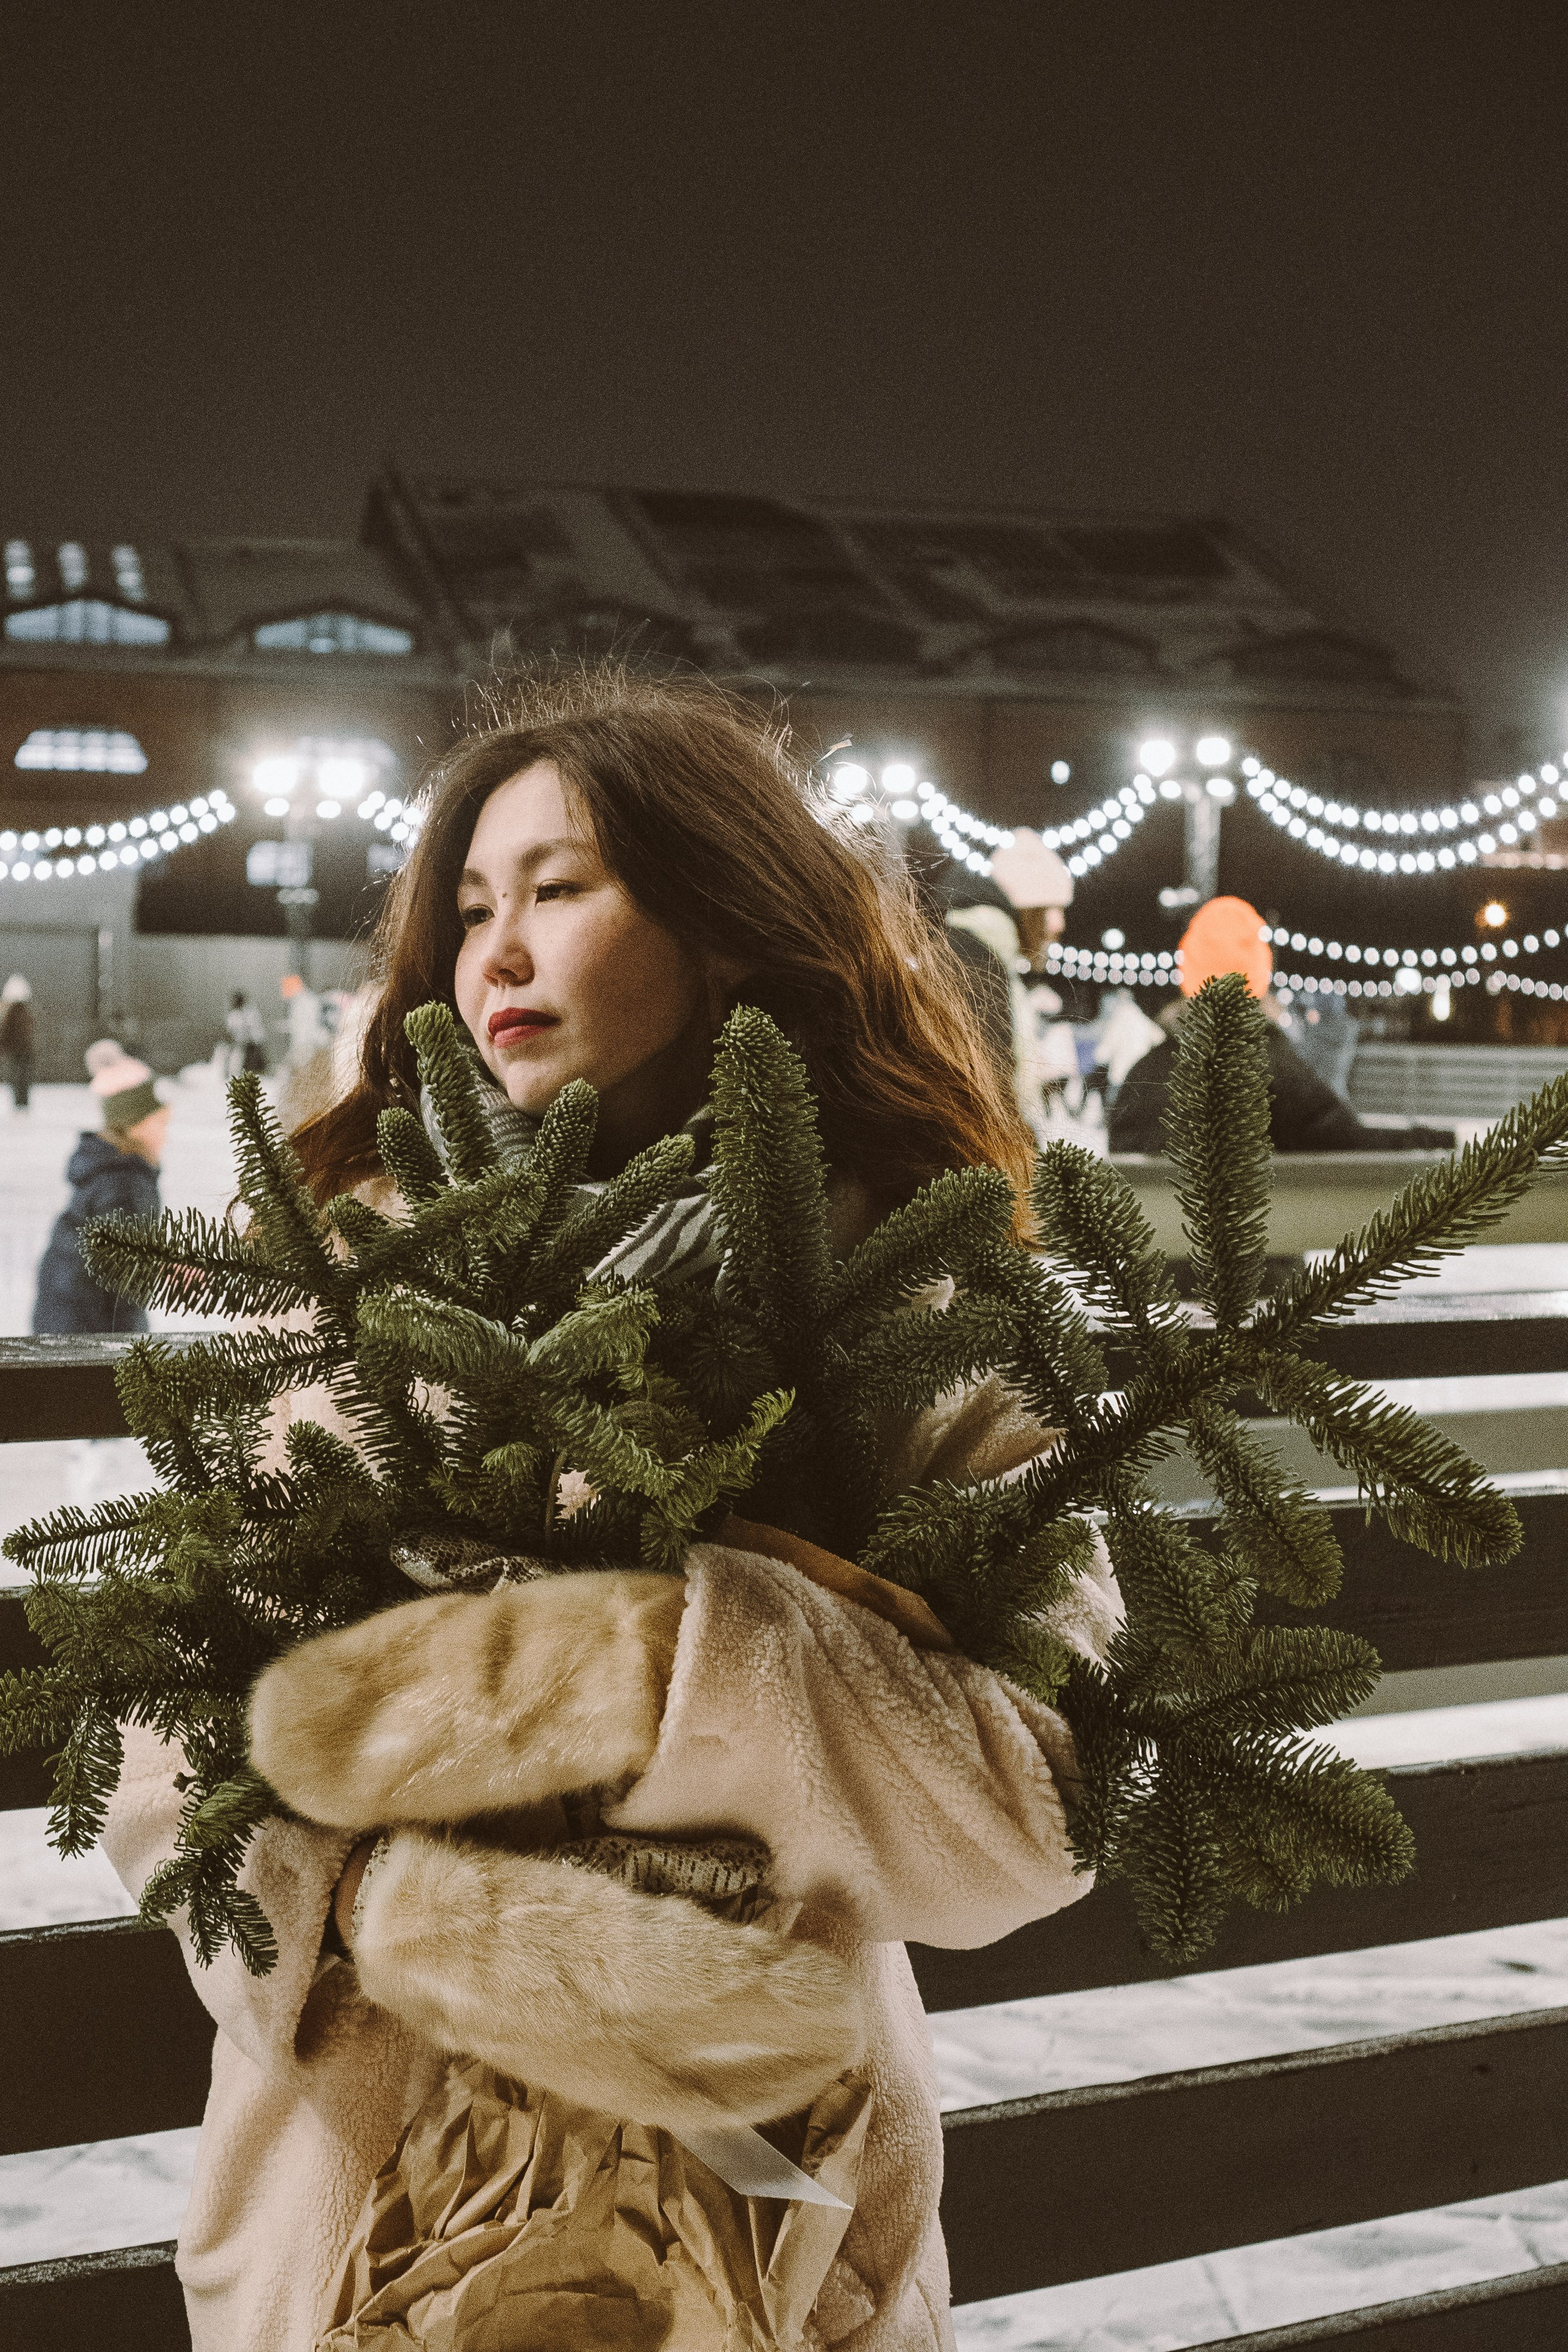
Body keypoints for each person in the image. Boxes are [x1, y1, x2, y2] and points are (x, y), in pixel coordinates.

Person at [101, 666, 1120, 2352]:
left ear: (728, 922)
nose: (491, 953)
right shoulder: (348, 1282)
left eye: (560, 891)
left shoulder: (906, 1310)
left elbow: (1034, 1806)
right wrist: (418, 1920)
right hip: (363, 2238)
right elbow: (169, 1753)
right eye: (470, 910)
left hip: (767, 2254)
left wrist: (658, 1664)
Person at [1108, 895, 1457, 1153]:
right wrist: (1441, 1139)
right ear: (1260, 974)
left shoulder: (1143, 1075)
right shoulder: (1273, 1069)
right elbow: (1350, 1143)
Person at [32, 1046, 169, 1334]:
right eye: (159, 1124)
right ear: (135, 1128)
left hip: (60, 1325)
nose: (165, 1134)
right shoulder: (126, 1185)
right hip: (86, 1340)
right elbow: (125, 1295)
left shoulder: (103, 1172)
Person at [0, 972, 36, 1110]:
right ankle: (22, 1102)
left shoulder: (13, 1011)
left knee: (18, 1077)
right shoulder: (23, 1010)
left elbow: (6, 1031)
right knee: (22, 1077)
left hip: (17, 1050)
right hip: (24, 1050)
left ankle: (21, 1103)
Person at [224, 989, 268, 1079]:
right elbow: (231, 1031)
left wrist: (252, 1040)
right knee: (241, 1065)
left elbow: (255, 1029)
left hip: (252, 1044)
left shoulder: (250, 1012)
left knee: (253, 1068)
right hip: (242, 1045)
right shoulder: (234, 1015)